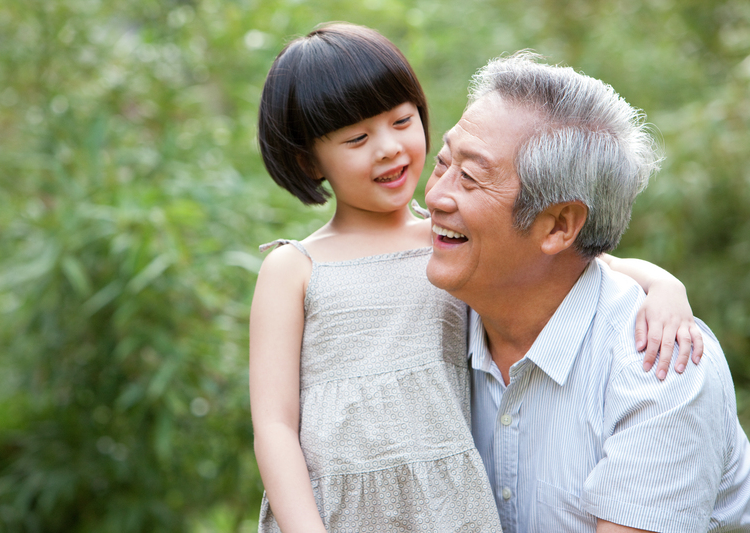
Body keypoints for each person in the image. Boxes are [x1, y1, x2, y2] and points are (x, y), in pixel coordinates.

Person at [250, 24, 700, 532]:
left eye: (402, 121)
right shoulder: (296, 267)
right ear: (308, 161)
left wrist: (664, 286)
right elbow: (274, 425)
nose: (389, 148)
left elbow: (588, 260)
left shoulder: (447, 244)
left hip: (446, 501)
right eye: (357, 138)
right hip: (337, 504)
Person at [424, 51, 750, 532]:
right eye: (443, 162)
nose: (434, 197)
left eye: (469, 177)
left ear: (558, 226)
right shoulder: (426, 310)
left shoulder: (662, 368)